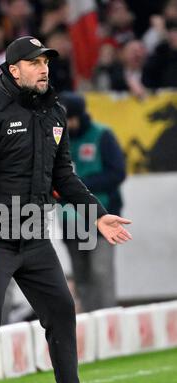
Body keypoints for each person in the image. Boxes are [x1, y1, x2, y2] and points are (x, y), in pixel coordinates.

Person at [0, 36, 132, 383]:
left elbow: (63, 177)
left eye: (46, 63)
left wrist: (97, 215)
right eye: (34, 63)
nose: (44, 69)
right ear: (13, 69)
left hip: (34, 233)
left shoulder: (54, 112)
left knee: (60, 308)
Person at [59, 91, 126, 313]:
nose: (68, 124)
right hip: (71, 221)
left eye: (70, 119)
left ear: (80, 116)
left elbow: (117, 172)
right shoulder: (58, 141)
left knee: (101, 273)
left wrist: (81, 186)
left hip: (101, 218)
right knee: (82, 280)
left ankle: (110, 327)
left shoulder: (101, 135)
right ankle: (91, 330)